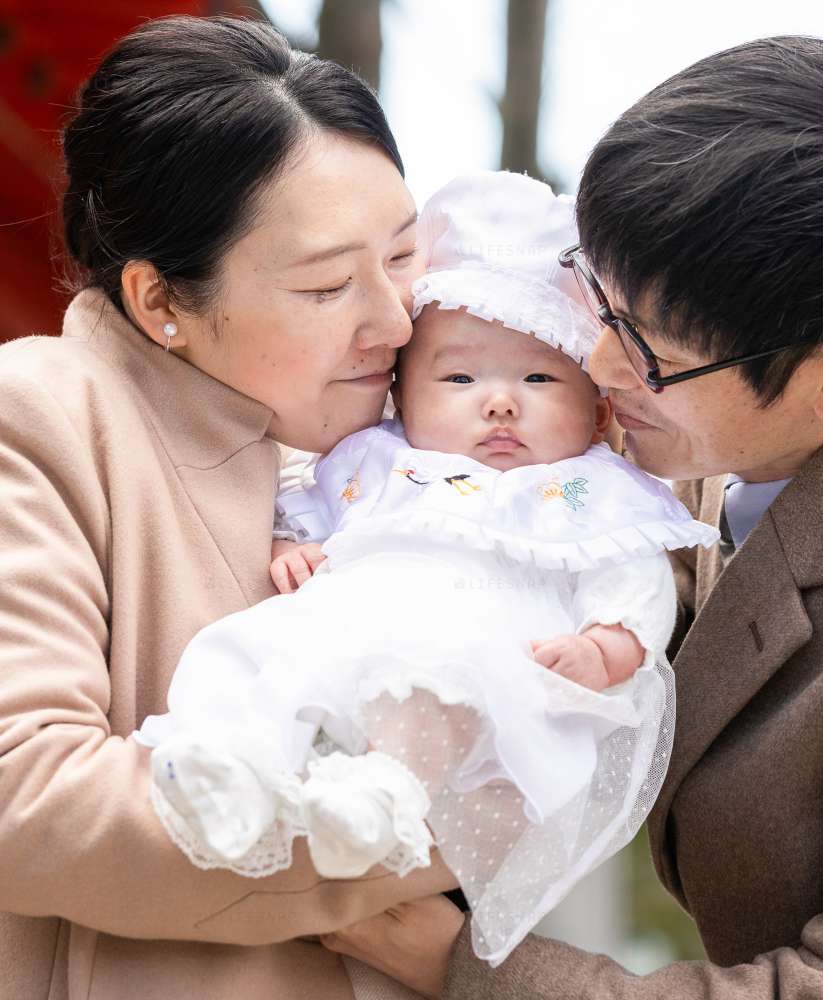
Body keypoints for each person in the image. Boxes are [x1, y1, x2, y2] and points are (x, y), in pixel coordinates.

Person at [321, 36, 823, 999]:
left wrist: (465, 967)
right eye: (597, 298)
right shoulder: (700, 428)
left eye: (646, 346)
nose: (595, 364)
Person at [135, 170, 719, 967]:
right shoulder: (377, 460)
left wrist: (607, 645)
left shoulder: (590, 490)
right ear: (404, 400)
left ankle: (383, 796)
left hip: (484, 665)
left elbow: (632, 585)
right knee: (256, 650)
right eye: (460, 378)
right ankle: (227, 764)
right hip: (345, 629)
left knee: (435, 684)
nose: (500, 402)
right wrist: (290, 548)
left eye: (540, 378)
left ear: (599, 408)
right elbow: (302, 513)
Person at [0, 15, 455, 1000]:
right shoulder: (41, 414)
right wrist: (423, 835)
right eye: (329, 283)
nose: (393, 316)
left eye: (406, 255)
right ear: (162, 301)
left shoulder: (435, 437)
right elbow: (29, 799)